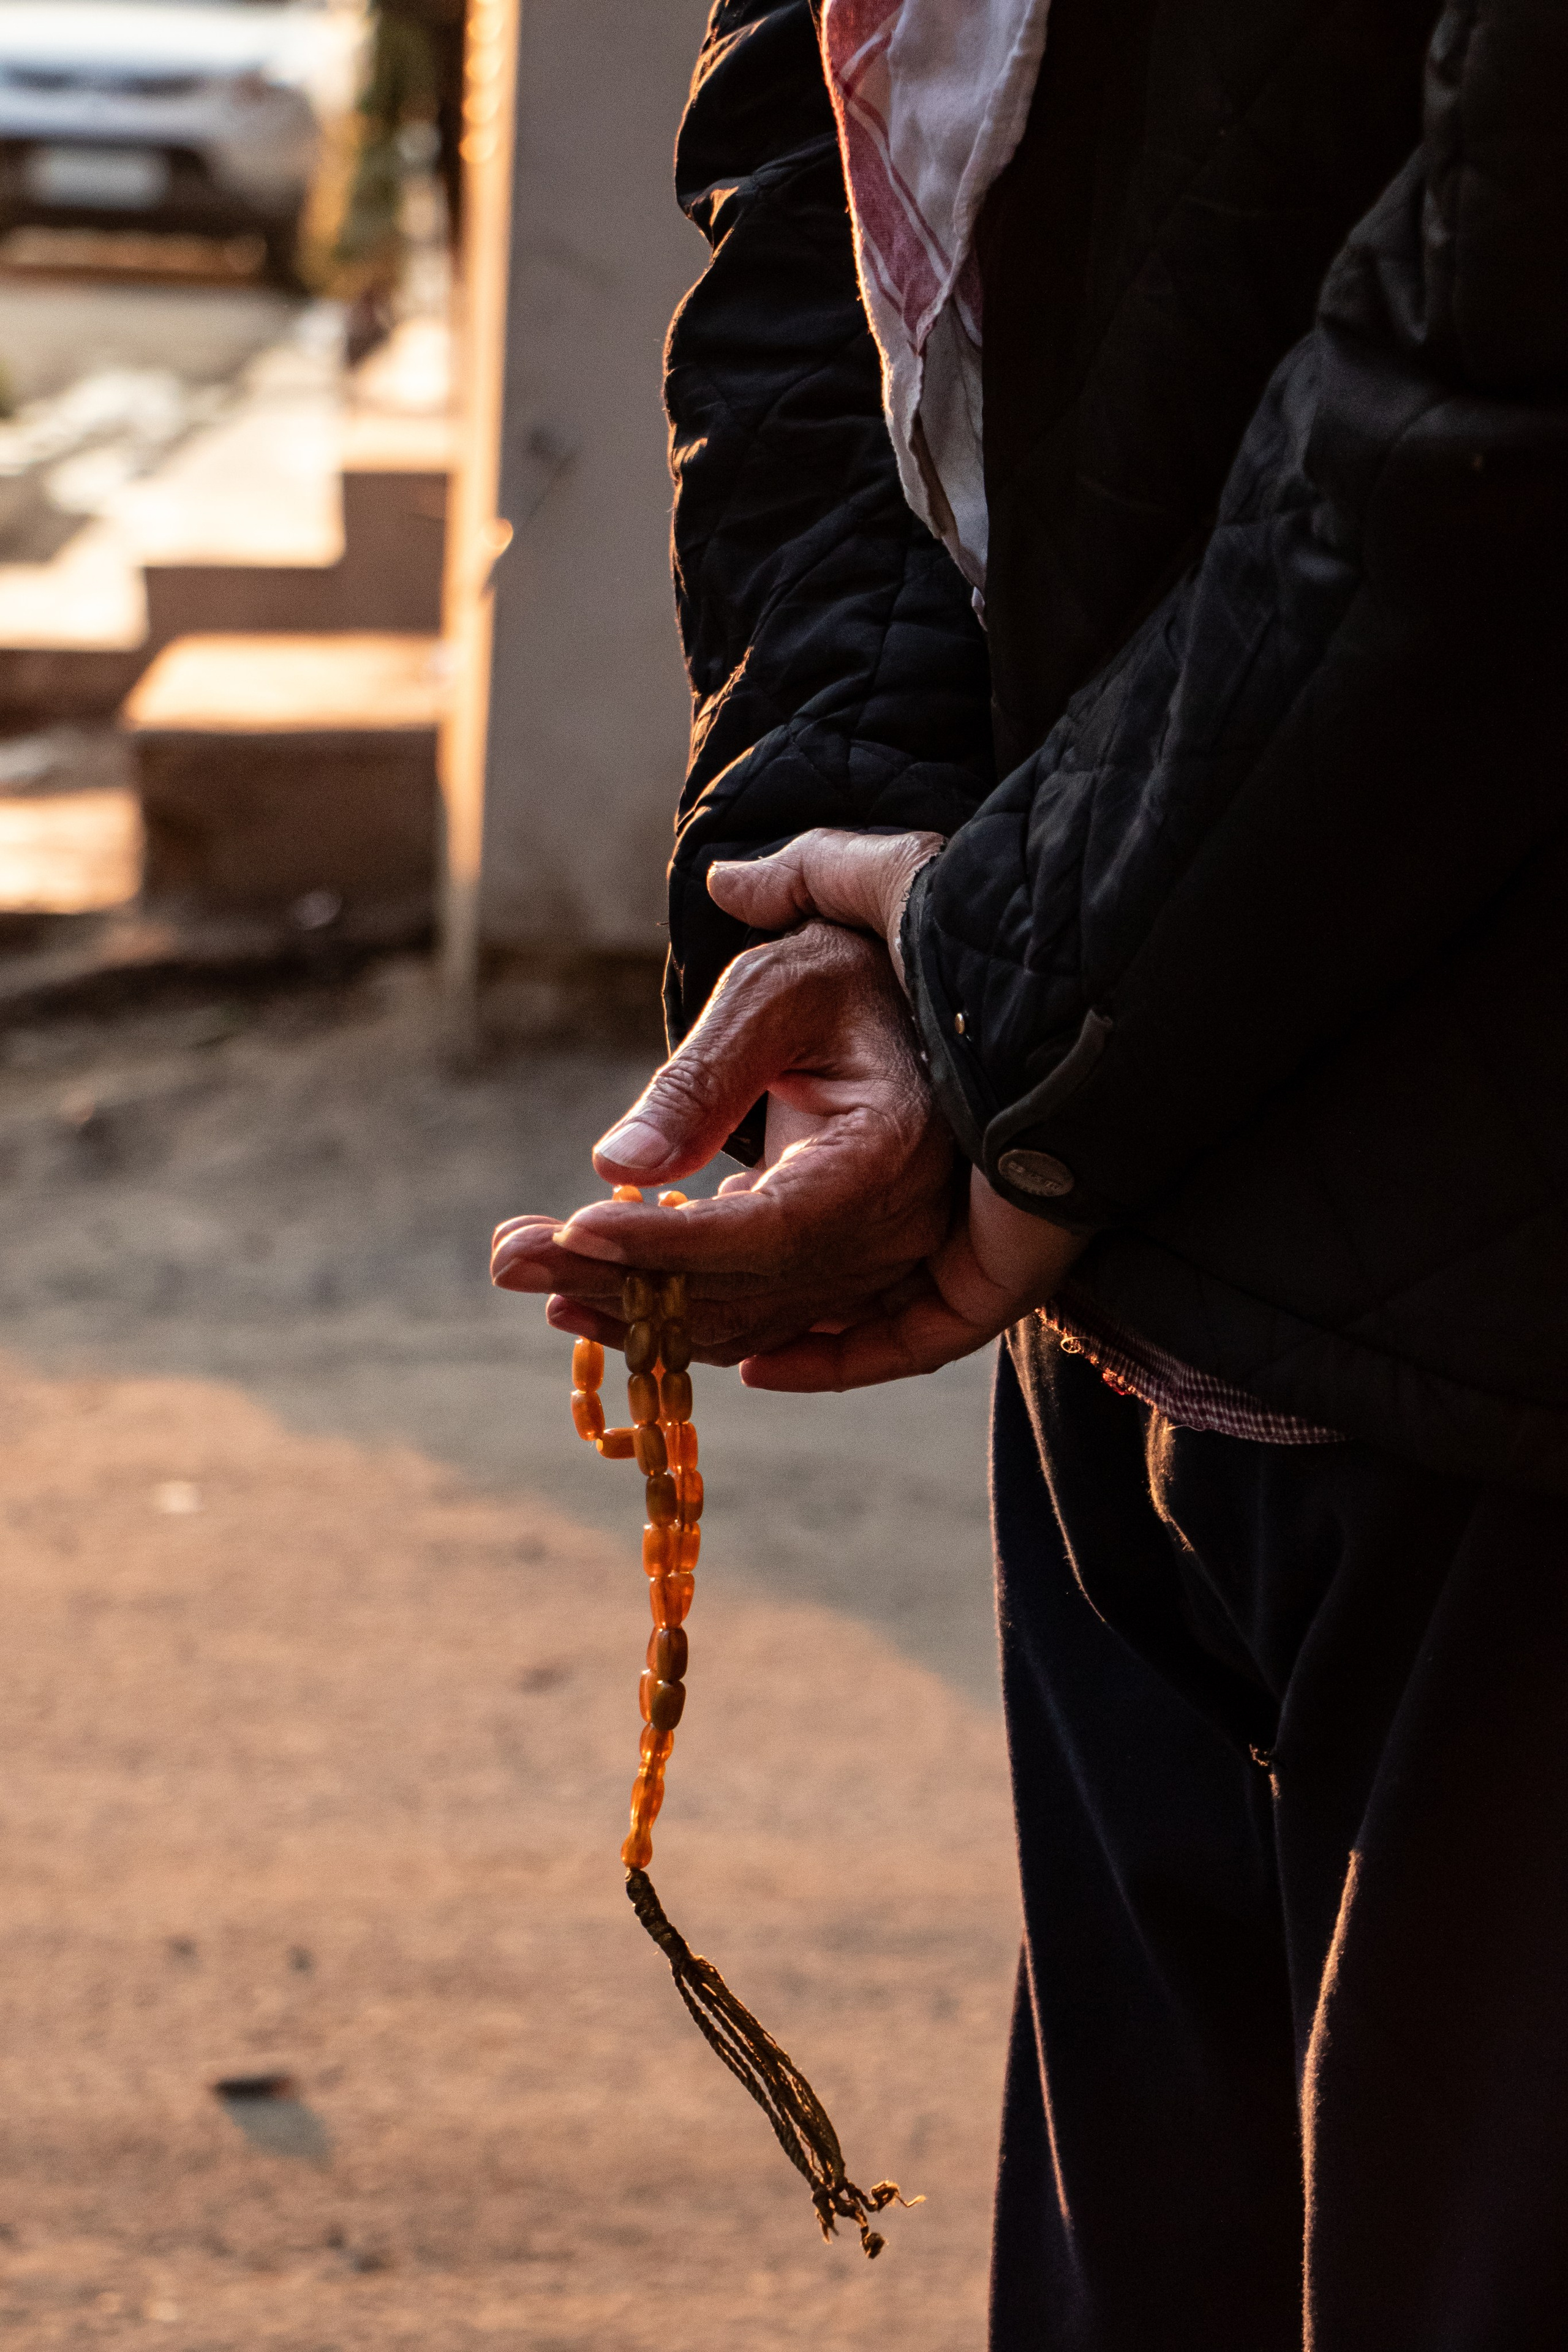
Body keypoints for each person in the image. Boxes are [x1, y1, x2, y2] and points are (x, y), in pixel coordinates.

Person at [494, 0, 1568, 2341]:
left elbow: (1505, 357)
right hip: (1133, 1267)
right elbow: (825, 158)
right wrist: (865, 892)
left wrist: (1007, 986)